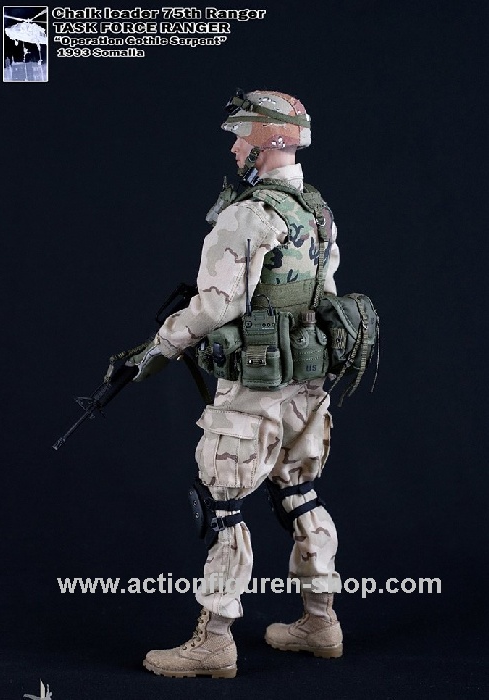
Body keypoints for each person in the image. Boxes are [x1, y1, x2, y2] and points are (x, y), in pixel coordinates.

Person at [130, 90, 342, 678]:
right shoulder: (318, 211)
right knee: (300, 493)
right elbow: (324, 294)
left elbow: (217, 304)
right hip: (306, 380)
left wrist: (160, 346)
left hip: (255, 386)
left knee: (225, 504)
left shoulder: (247, 215)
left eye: (242, 136)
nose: (234, 147)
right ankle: (321, 620)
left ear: (269, 141)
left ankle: (216, 640)